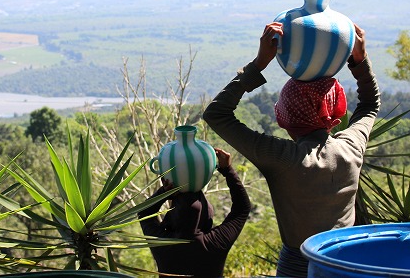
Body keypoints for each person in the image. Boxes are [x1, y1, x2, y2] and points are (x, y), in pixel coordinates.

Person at [202, 22, 380, 277]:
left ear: (286, 118)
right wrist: (359, 61)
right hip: (346, 263)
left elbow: (217, 114)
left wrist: (258, 64)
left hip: (298, 267)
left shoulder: (282, 158)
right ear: (335, 111)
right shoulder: (351, 147)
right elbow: (370, 105)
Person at [138, 147, 251, 277]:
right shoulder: (215, 243)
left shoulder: (163, 245)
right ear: (206, 216)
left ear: (172, 216)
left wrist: (164, 193)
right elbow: (242, 208)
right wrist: (227, 169)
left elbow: (144, 214)